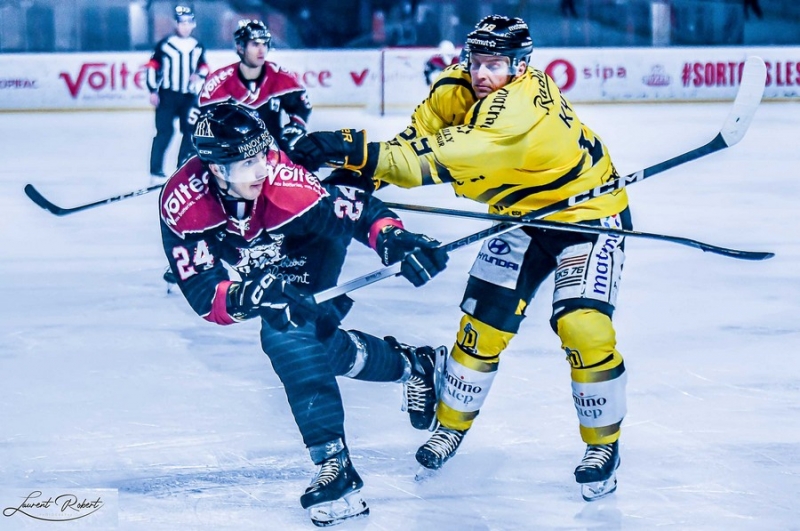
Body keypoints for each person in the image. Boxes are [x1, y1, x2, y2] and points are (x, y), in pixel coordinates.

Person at [290, 15, 630, 502]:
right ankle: (450, 426)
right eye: (477, 62)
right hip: (519, 219)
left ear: (520, 66)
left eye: (494, 64)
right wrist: (365, 175)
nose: (481, 73)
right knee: (480, 329)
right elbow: (413, 143)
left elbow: (435, 160)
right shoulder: (454, 87)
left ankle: (603, 445)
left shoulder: (518, 109)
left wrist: (349, 148)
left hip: (586, 216)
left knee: (583, 327)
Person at [159, 101, 449, 526]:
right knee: (318, 345)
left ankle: (335, 466)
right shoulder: (184, 204)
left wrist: (392, 238)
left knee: (287, 331)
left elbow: (356, 211)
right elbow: (205, 296)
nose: (261, 168)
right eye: (247, 163)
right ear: (217, 168)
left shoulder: (287, 187)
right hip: (260, 251)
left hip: (309, 241)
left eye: (263, 155)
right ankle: (413, 365)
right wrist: (248, 295)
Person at [199, 19, 312, 157]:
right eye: (255, 44)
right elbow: (204, 119)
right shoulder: (219, 81)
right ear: (240, 47)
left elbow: (301, 107)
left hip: (273, 153)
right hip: (233, 156)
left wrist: (294, 129)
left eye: (265, 44)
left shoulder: (281, 76)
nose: (261, 50)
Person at [146, 5, 208, 185]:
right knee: (164, 132)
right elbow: (152, 67)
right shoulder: (165, 45)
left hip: (189, 97)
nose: (185, 26)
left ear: (193, 24)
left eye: (189, 23)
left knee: (190, 132)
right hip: (168, 95)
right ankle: (156, 170)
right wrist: (153, 90)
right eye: (182, 23)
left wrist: (199, 75)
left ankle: (183, 167)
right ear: (176, 24)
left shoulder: (197, 46)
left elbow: (204, 66)